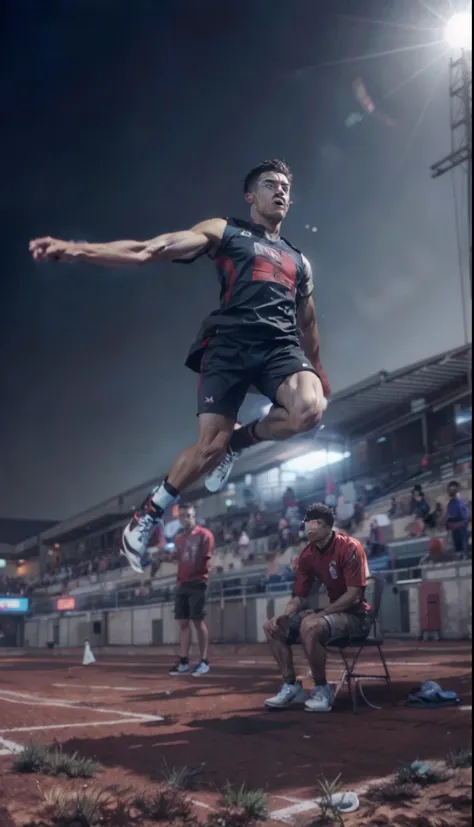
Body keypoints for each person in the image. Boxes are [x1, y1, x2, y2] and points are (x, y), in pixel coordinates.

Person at [29, 159, 330, 574]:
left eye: (284, 187)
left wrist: (317, 369)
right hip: (229, 345)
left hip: (279, 346)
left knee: (310, 411)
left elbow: (308, 321)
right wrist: (77, 250)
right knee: (209, 448)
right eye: (269, 184)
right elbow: (151, 249)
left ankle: (240, 443)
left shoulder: (299, 261)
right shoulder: (225, 231)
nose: (279, 191)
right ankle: (149, 514)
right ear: (250, 196)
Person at [263, 503, 371, 713]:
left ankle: (323, 689)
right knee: (272, 626)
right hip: (332, 614)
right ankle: (292, 686)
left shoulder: (349, 547)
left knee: (310, 626)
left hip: (356, 616)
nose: (311, 527)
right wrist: (285, 616)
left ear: (329, 527)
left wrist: (321, 614)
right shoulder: (307, 555)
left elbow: (353, 595)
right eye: (308, 523)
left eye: (317, 523)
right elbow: (300, 597)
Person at [166, 503, 214, 677]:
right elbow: (179, 558)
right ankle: (184, 661)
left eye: (189, 515)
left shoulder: (205, 535)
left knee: (198, 621)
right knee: (183, 623)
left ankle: (203, 661)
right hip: (182, 583)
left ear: (194, 516)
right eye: (182, 516)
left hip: (198, 582)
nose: (186, 518)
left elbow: (205, 560)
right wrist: (168, 557)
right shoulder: (178, 539)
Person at [445, 481, 469, 554]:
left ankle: (463, 553)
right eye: (452, 491)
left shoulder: (461, 501)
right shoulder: (451, 503)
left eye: (455, 490)